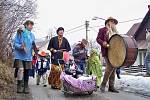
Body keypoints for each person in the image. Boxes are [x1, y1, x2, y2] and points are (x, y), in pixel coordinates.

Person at [13, 20, 38, 94]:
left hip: (28, 56)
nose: (31, 27)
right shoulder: (19, 32)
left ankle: (26, 86)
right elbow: (15, 43)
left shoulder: (32, 35)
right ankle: (19, 85)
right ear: (26, 25)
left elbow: (33, 44)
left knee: (27, 71)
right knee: (20, 69)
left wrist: (36, 51)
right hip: (19, 56)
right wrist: (20, 47)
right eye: (30, 25)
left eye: (32, 25)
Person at [96, 17, 119, 93]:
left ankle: (111, 87)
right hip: (106, 51)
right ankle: (103, 84)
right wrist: (103, 43)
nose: (114, 23)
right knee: (109, 67)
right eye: (112, 22)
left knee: (114, 68)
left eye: (114, 22)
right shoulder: (102, 30)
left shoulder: (115, 32)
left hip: (114, 52)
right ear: (108, 22)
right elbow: (98, 39)